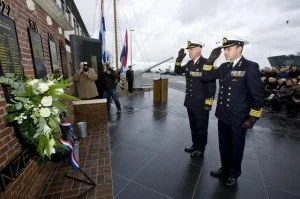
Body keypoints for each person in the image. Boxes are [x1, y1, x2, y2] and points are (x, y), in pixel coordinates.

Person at [202, 36, 265, 188]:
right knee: (223, 145)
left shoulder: (250, 66)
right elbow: (205, 77)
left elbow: (258, 96)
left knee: (236, 146)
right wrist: (210, 61)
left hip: (239, 117)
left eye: (228, 49)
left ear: (239, 49)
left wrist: (253, 118)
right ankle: (224, 168)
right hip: (223, 114)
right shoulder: (224, 67)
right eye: (224, 49)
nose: (225, 52)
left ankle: (233, 173)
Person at [174, 40, 218, 158]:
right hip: (190, 101)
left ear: (198, 50)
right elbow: (177, 71)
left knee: (201, 127)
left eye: (191, 49)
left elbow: (211, 85)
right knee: (193, 126)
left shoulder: (206, 63)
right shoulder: (189, 63)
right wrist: (179, 59)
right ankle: (195, 144)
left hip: (201, 102)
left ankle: (201, 148)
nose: (189, 51)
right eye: (188, 49)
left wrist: (208, 103)